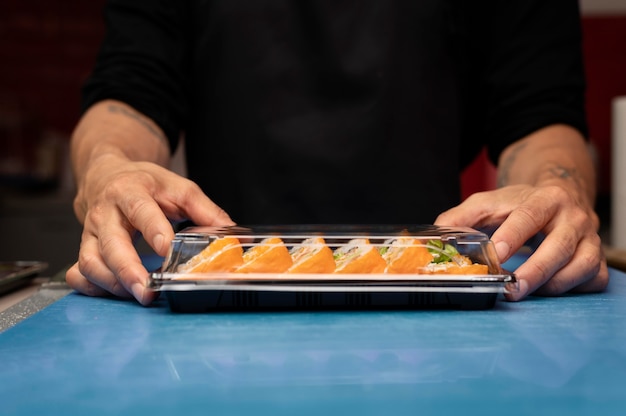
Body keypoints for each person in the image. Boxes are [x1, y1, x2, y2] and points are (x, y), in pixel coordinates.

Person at [66, 0, 608, 305]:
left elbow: (539, 114)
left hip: (433, 302)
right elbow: (130, 90)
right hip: (222, 298)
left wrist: (556, 189)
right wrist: (110, 167)